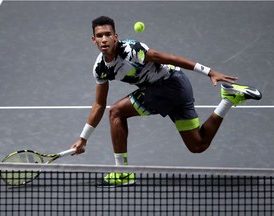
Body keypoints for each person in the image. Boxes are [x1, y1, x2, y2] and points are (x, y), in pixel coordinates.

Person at [70, 16, 262, 186]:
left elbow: (172, 58)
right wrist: (83, 138)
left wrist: (209, 71)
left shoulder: (132, 50)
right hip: (177, 87)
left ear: (115, 36)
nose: (104, 39)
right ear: (93, 39)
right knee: (198, 144)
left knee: (117, 112)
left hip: (169, 86)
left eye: (108, 34)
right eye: (100, 35)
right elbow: (99, 104)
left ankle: (122, 173)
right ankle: (228, 100)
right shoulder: (100, 68)